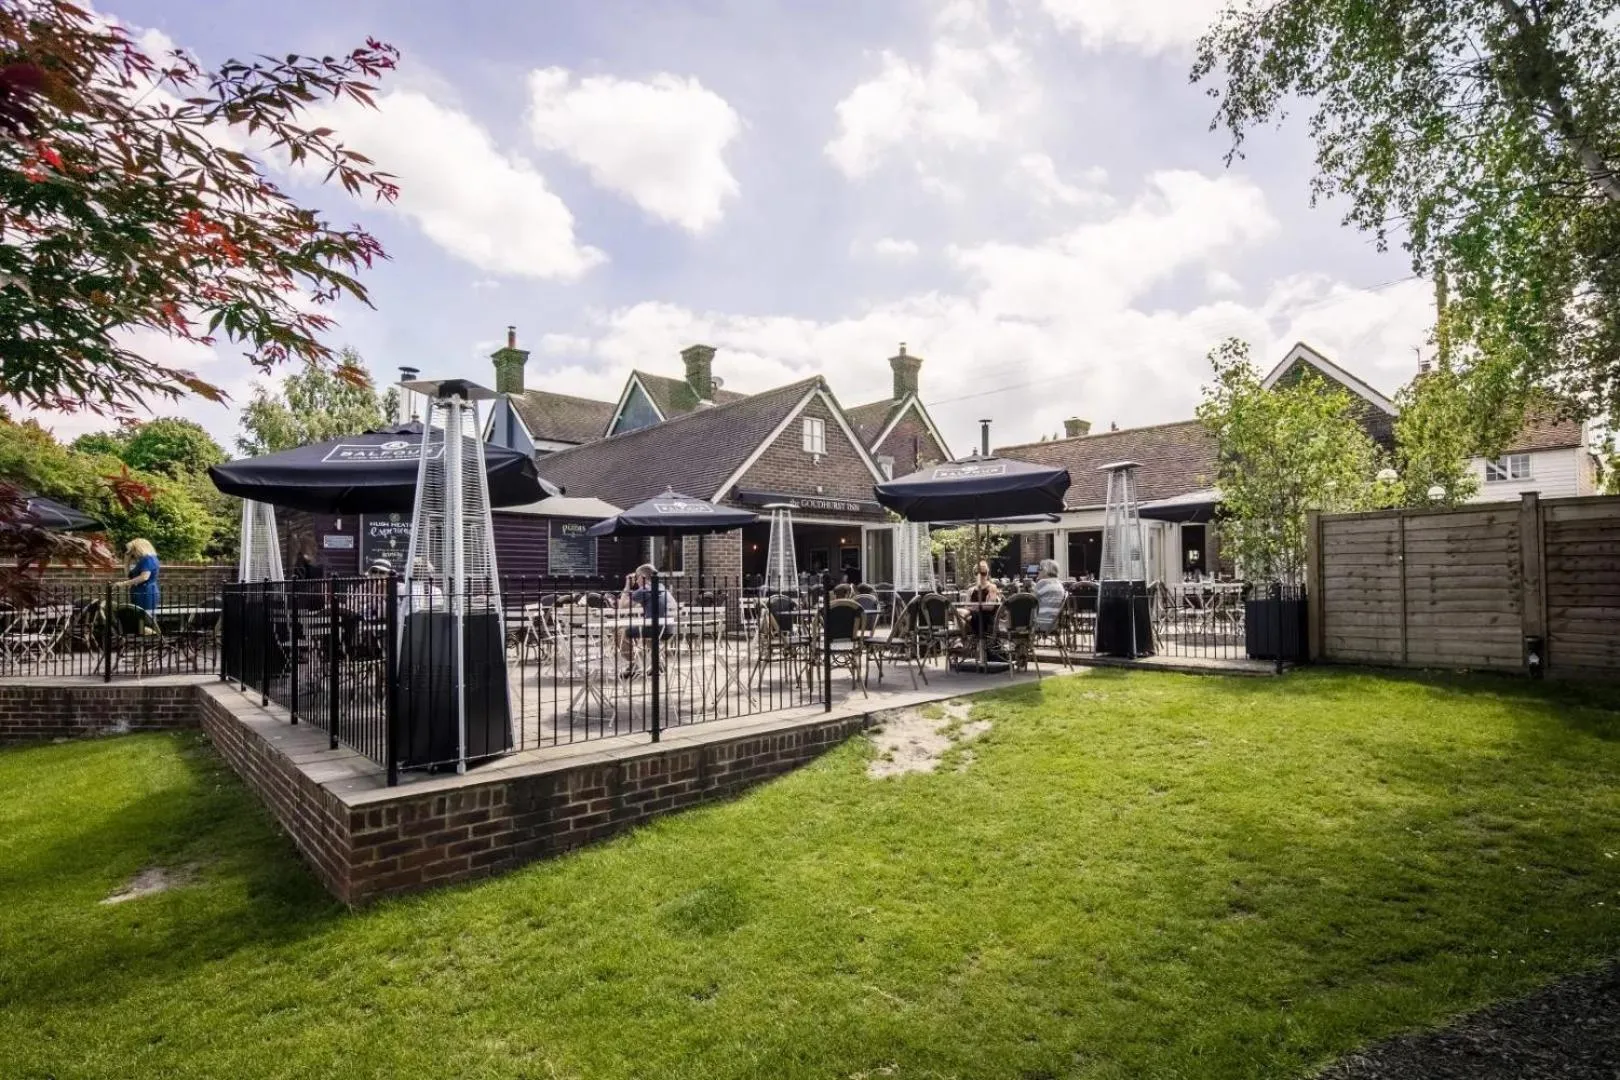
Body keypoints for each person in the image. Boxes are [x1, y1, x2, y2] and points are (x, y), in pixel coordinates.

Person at [617, 563, 676, 678]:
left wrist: (627, 585)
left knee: (620, 632)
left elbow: (622, 606)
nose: (636, 581)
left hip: (655, 629)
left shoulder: (645, 589)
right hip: (669, 630)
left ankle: (633, 665)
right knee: (647, 632)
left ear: (641, 577)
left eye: (637, 577)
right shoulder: (662, 588)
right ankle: (658, 663)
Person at [115, 539, 160, 612]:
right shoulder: (142, 560)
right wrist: (126, 562)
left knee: (146, 618)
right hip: (139, 592)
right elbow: (129, 576)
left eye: (133, 551)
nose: (132, 554)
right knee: (138, 618)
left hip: (145, 592)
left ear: (139, 548)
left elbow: (144, 577)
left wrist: (123, 584)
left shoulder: (148, 559)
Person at [1033, 558, 1065, 631]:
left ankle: (1019, 641)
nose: (1038, 571)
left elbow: (1030, 600)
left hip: (1041, 623)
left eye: (1040, 568)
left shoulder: (1043, 583)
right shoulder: (1059, 584)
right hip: (1054, 623)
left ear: (1045, 570)